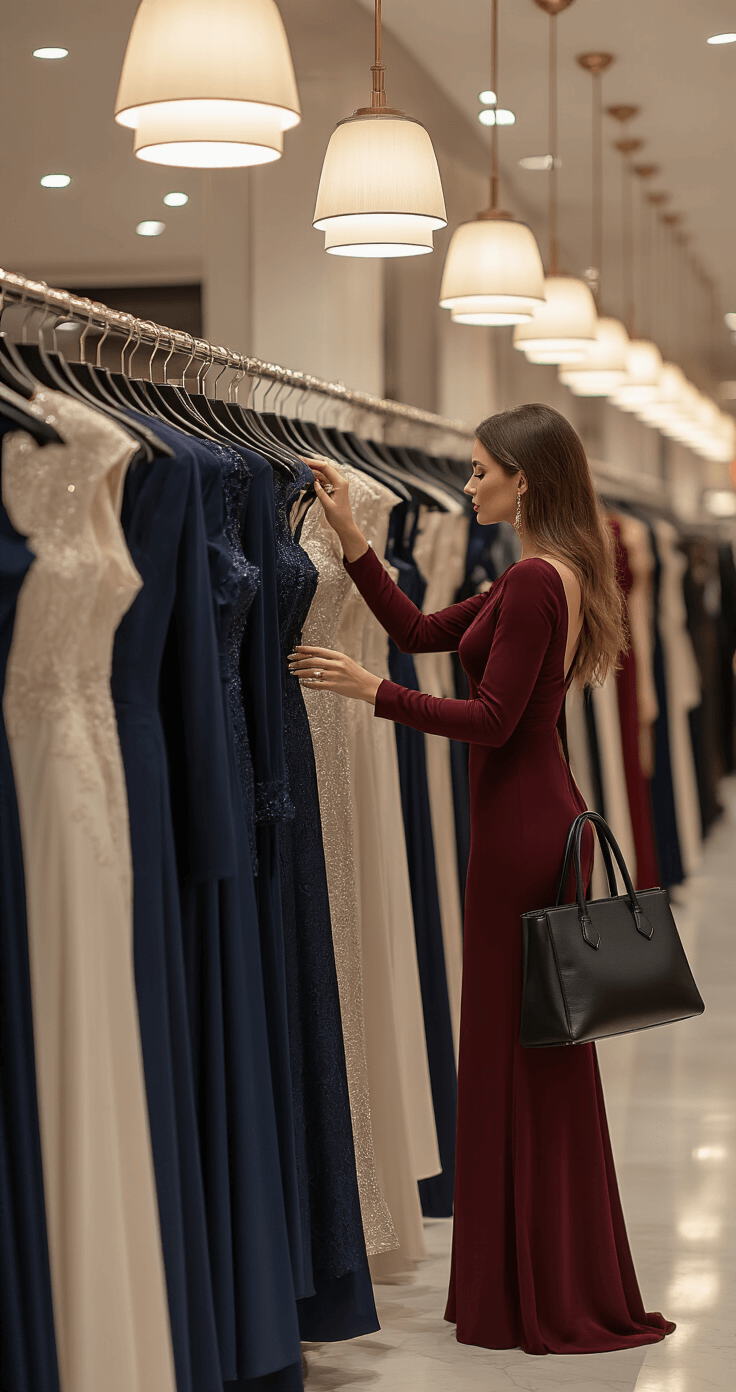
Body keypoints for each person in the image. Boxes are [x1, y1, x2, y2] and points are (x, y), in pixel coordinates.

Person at [288, 403, 675, 1356]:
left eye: (478, 473)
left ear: (524, 480)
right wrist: (350, 537)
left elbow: (495, 718)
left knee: (522, 1052)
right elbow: (421, 630)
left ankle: (533, 1284)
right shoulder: (543, 573)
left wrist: (370, 694)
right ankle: (528, 1275)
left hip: (523, 829)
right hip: (529, 820)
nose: (467, 488)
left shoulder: (540, 581)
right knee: (526, 1053)